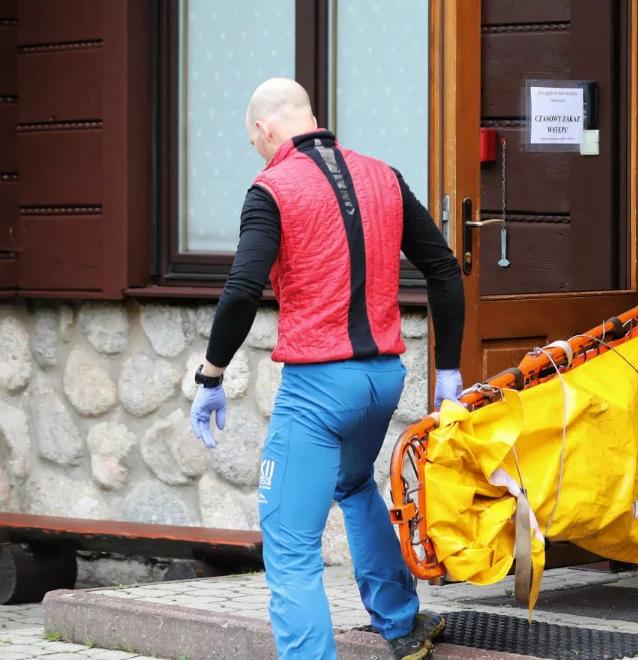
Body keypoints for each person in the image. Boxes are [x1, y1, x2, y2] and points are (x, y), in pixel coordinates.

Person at [188, 78, 465, 660]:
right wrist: (448, 372)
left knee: (289, 545)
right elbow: (443, 268)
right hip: (383, 379)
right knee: (354, 482)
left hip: (318, 389)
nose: (258, 154)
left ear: (265, 130)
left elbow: (241, 291)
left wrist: (211, 377)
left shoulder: (271, 188)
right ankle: (403, 626)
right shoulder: (384, 174)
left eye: (254, 143)